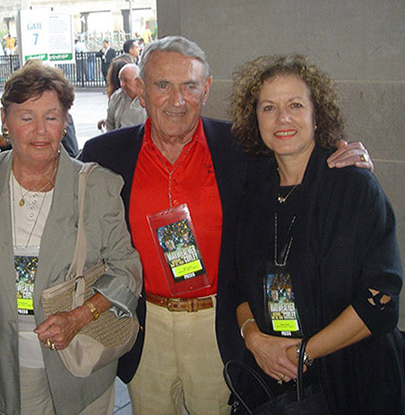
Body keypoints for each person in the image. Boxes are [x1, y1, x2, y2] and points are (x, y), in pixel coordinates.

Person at [79, 36, 374, 414]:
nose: (177, 99)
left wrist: (348, 162)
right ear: (140, 89)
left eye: (189, 85)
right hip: (145, 324)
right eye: (163, 85)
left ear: (207, 89)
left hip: (217, 324)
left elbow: (298, 154)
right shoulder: (106, 154)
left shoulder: (243, 149)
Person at [0, 60, 142, 415]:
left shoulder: (97, 184)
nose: (40, 130)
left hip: (83, 356)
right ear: (5, 120)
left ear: (65, 122)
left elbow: (127, 271)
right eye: (26, 117)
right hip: (12, 360)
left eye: (52, 117)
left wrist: (80, 316)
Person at [227, 54, 404, 414]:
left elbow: (380, 296)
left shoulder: (353, 186)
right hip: (277, 380)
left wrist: (305, 351)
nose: (283, 118)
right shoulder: (253, 193)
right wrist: (254, 338)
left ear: (316, 114)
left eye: (295, 104)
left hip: (355, 378)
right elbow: (237, 284)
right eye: (268, 107)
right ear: (254, 117)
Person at [98, 64, 146, 131]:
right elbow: (110, 123)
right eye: (120, 80)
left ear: (138, 81)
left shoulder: (148, 98)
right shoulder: (117, 96)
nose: (122, 84)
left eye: (126, 80)